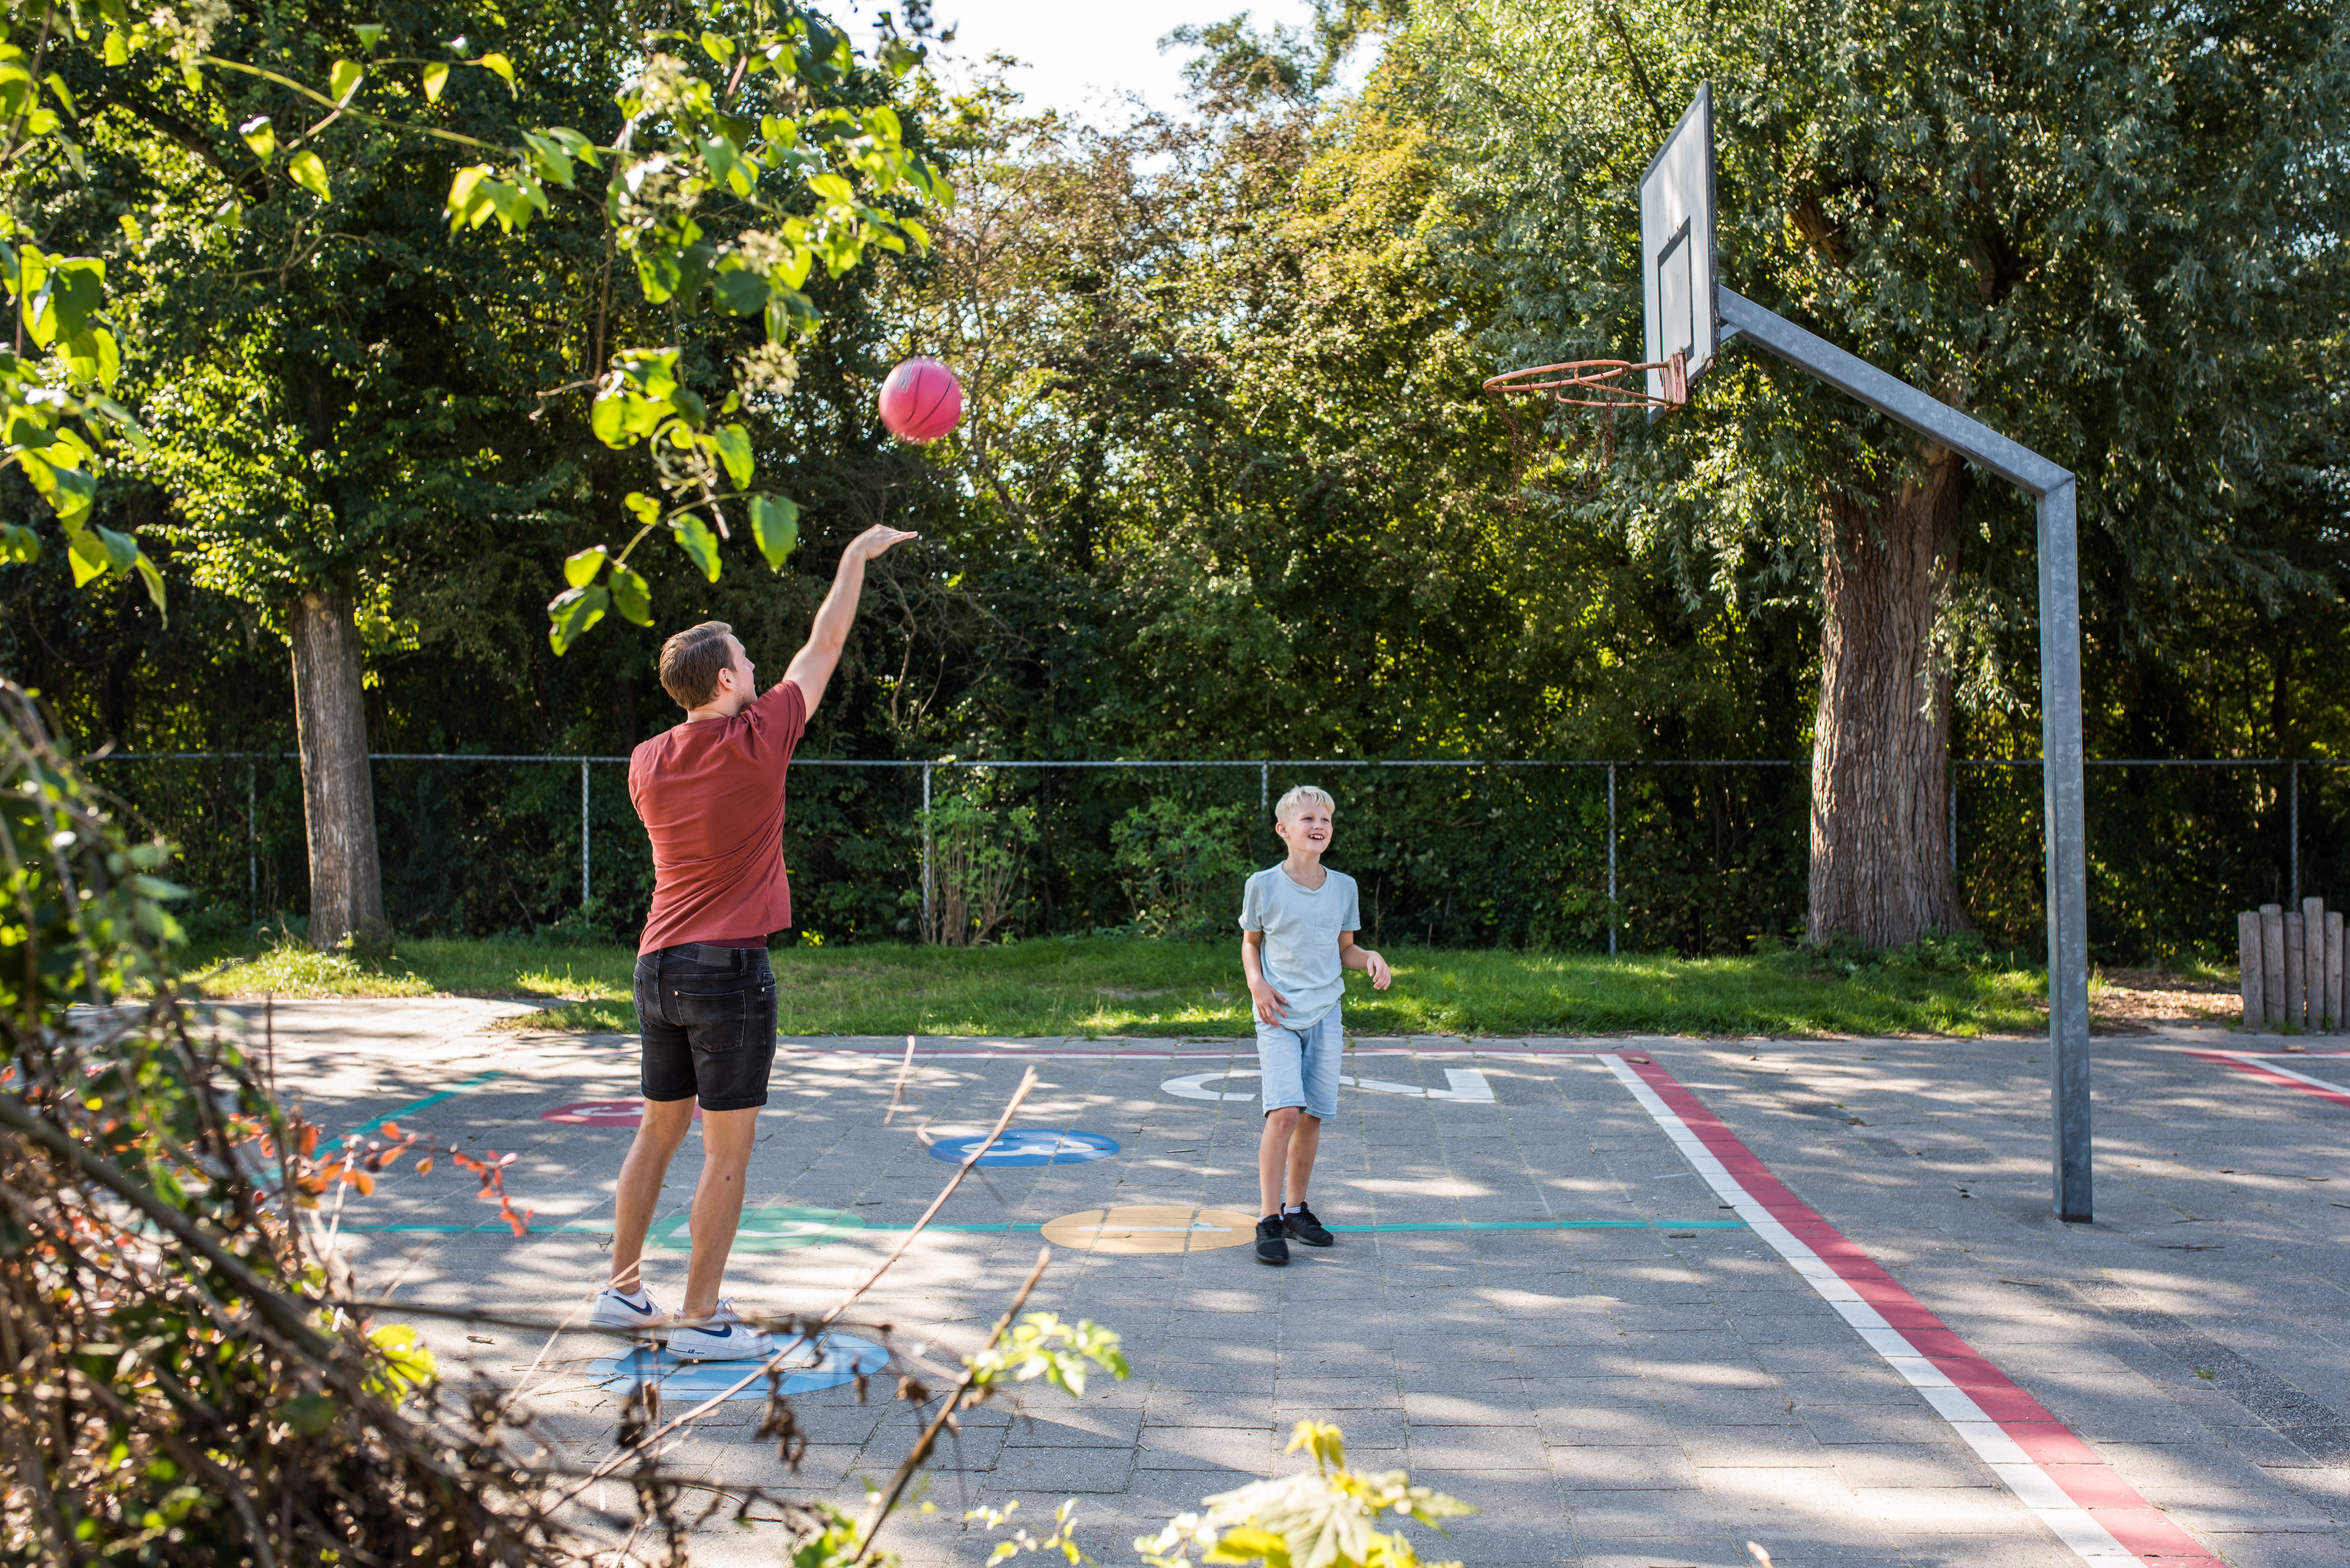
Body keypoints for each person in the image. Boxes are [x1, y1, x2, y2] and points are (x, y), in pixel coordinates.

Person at [590, 523, 917, 1359]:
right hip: (727, 971)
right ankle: (702, 1316)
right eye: (745, 658)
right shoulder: (759, 735)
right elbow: (827, 641)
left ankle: (623, 1294)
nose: (758, 667)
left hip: (655, 967)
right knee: (724, 1152)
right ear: (730, 678)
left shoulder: (645, 760)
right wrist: (854, 559)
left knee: (655, 1134)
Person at [1239, 785, 1390, 1266]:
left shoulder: (1344, 887)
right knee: (1283, 1112)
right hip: (1278, 1013)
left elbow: (1345, 949)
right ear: (1284, 830)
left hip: (1326, 1013)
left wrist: (1370, 958)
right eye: (1307, 819)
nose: (1318, 826)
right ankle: (1268, 1219)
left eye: (1324, 819)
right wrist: (1257, 984)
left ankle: (1297, 1210)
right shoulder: (1263, 884)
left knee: (1312, 1116)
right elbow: (1250, 942)